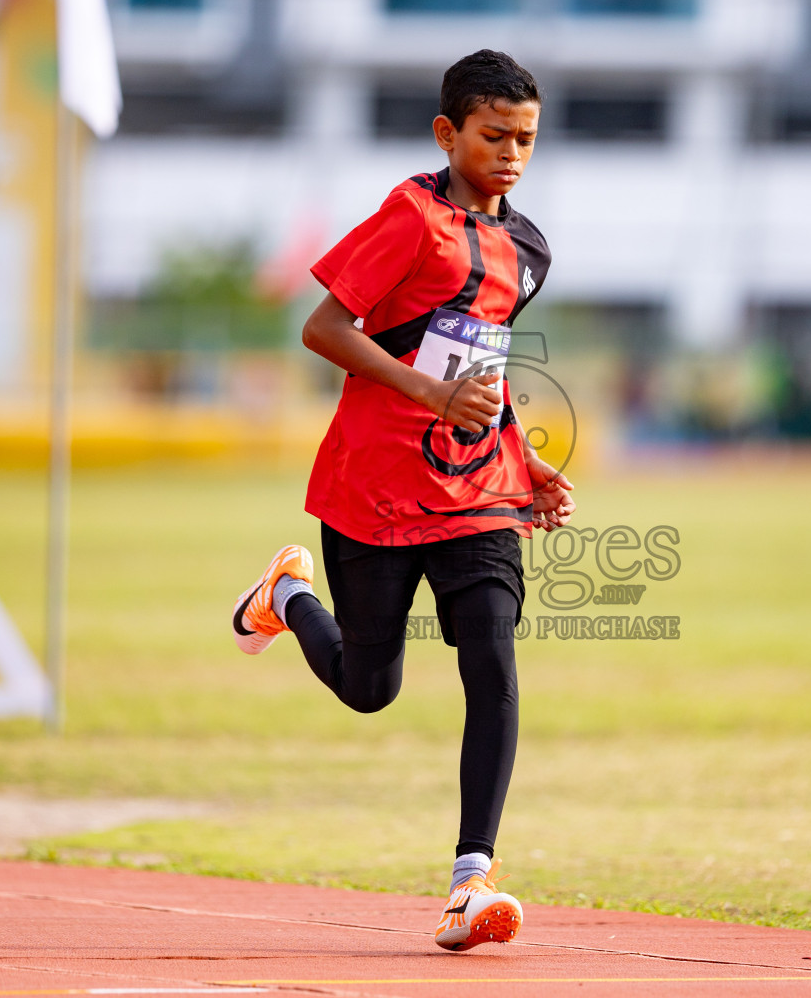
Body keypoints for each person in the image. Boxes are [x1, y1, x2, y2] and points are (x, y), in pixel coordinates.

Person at [229, 50, 574, 953]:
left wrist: (523, 463)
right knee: (369, 688)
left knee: (492, 661)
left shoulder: (528, 248)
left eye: (526, 139)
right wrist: (428, 399)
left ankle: (472, 882)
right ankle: (288, 598)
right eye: (494, 135)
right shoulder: (409, 218)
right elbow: (323, 328)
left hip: (475, 491)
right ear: (448, 132)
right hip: (373, 487)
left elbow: (476, 369)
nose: (511, 154)